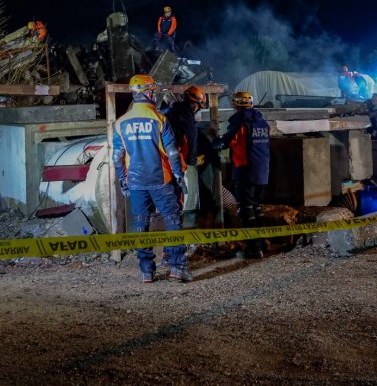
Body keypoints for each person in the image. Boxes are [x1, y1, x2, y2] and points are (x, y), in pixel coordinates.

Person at [112, 74, 190, 283]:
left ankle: (147, 271)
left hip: (136, 182)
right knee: (172, 220)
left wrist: (123, 179)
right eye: (153, 91)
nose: (154, 95)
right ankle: (177, 268)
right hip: (160, 179)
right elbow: (172, 152)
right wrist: (178, 174)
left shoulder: (120, 123)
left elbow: (117, 157)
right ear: (147, 93)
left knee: (141, 224)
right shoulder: (160, 119)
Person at [213, 91, 270, 259]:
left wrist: (214, 142)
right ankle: (264, 243)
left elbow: (226, 142)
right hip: (262, 172)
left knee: (246, 210)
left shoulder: (239, 120)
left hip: (245, 171)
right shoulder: (261, 121)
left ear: (235, 104)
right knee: (256, 207)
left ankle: (254, 249)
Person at [159, 85, 208, 273]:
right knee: (175, 212)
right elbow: (190, 151)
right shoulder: (188, 122)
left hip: (155, 169)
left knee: (153, 214)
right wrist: (194, 160)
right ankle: (171, 256)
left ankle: (151, 261)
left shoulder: (167, 113)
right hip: (174, 172)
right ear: (196, 105)